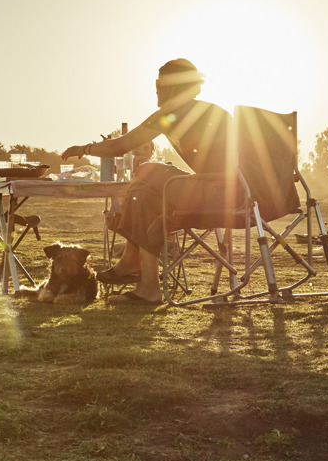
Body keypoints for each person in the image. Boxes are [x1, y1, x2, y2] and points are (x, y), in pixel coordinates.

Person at [61, 58, 230, 305]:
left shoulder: (174, 112)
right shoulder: (208, 110)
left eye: (160, 83)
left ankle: (131, 261)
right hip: (230, 190)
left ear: (174, 85)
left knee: (148, 170)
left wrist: (84, 148)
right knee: (144, 197)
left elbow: (120, 145)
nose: (156, 88)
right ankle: (148, 286)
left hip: (220, 192)